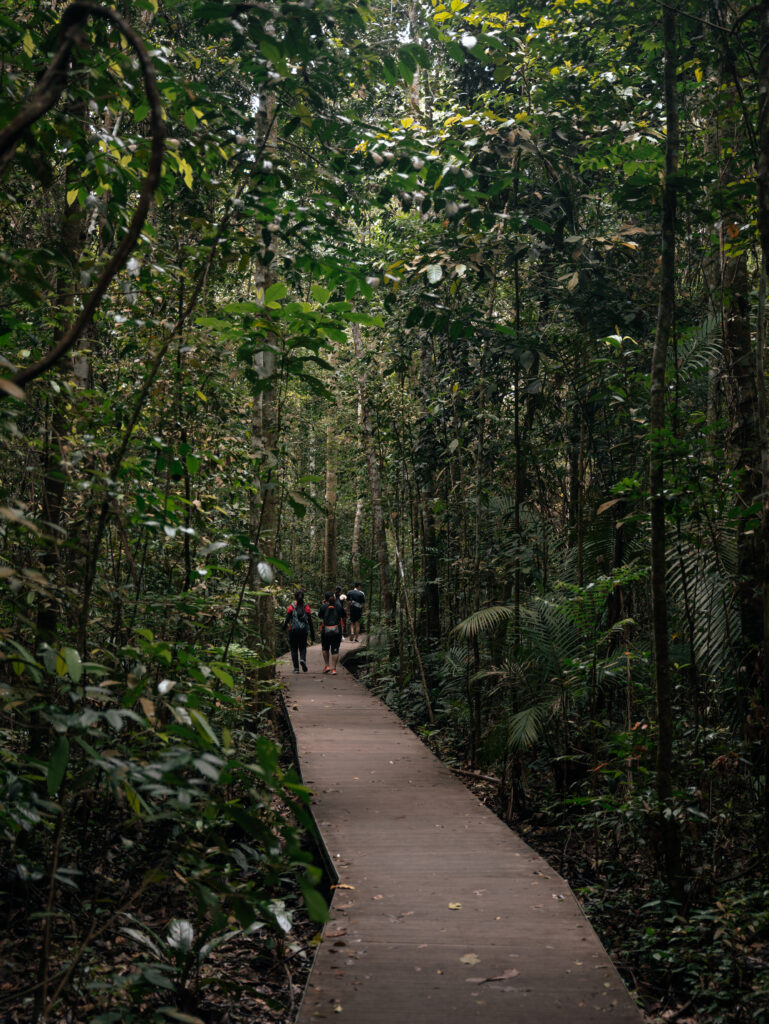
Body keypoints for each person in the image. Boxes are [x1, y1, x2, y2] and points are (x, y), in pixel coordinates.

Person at [283, 590, 315, 674]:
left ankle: (296, 668)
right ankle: (302, 659)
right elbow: (310, 622)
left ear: (295, 597)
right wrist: (312, 633)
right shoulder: (306, 607)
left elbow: (287, 619)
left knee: (294, 649)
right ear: (303, 597)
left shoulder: (291, 607)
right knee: (303, 647)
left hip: (293, 631)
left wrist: (283, 628)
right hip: (303, 630)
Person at [319, 589, 343, 674]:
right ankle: (333, 669)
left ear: (325, 599)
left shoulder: (323, 607)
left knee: (325, 648)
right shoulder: (338, 606)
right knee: (335, 650)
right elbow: (343, 615)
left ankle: (327, 666)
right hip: (337, 631)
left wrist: (323, 605)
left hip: (325, 631)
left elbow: (320, 616)